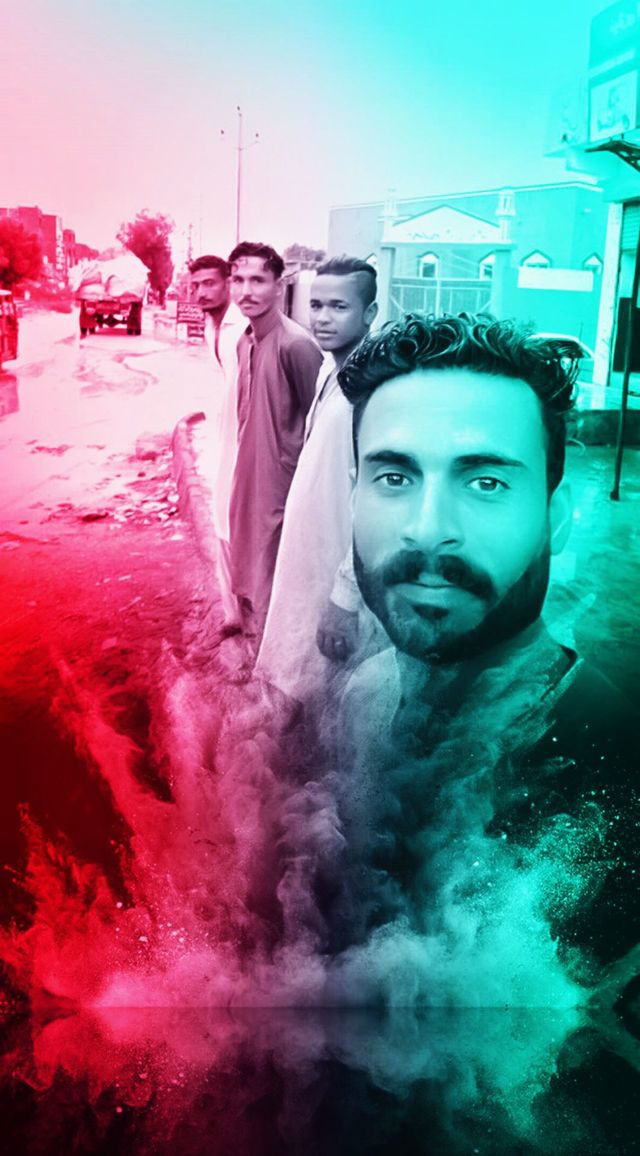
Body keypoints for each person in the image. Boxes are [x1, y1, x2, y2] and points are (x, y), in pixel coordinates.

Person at [325, 311, 638, 971]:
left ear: (556, 518)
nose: (427, 528)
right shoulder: (361, 694)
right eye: (394, 478)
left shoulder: (613, 762)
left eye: (486, 483)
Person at [254, 255, 379, 700]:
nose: (323, 318)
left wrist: (344, 598)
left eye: (339, 307)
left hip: (340, 578)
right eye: (317, 305)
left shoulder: (373, 393)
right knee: (293, 685)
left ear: (369, 313)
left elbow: (375, 507)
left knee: (333, 699)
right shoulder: (329, 370)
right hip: (306, 560)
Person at [227, 241, 323, 644]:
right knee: (247, 560)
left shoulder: (296, 345)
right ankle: (255, 645)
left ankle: (277, 661)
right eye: (238, 280)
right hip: (249, 474)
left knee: (276, 570)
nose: (245, 290)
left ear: (278, 286)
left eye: (257, 280)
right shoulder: (244, 341)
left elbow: (318, 424)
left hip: (283, 483)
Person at [189, 254, 246, 636]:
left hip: (244, 440)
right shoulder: (211, 325)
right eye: (195, 285)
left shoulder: (241, 328)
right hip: (221, 437)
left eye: (209, 283)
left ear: (228, 283)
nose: (200, 293)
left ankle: (245, 607)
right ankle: (233, 611)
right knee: (221, 519)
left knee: (238, 523)